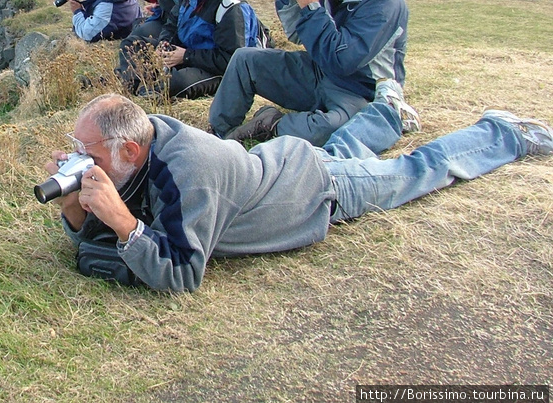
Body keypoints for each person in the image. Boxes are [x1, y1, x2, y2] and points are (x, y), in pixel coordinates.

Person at [47, 93, 553, 292]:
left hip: (312, 190)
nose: (80, 156)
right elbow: (95, 239)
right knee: (344, 150)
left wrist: (127, 226)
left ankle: (502, 134)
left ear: (130, 150)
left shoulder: (187, 172)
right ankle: (389, 114)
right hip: (285, 160)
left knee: (413, 172)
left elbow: (180, 274)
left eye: (85, 147)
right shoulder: (139, 147)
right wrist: (74, 205)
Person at [209, 0, 411, 147]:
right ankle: (218, 135)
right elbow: (298, 35)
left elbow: (343, 60)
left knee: (333, 132)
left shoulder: (384, 3)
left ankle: (272, 124)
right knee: (245, 60)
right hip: (318, 69)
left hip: (359, 88)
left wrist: (312, 8)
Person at [116, 0, 261, 99]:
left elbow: (231, 59)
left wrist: (186, 56)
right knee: (133, 44)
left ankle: (148, 94)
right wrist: (165, 43)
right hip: (187, 53)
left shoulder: (229, 7)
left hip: (219, 70)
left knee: (178, 82)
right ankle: (130, 88)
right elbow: (172, 24)